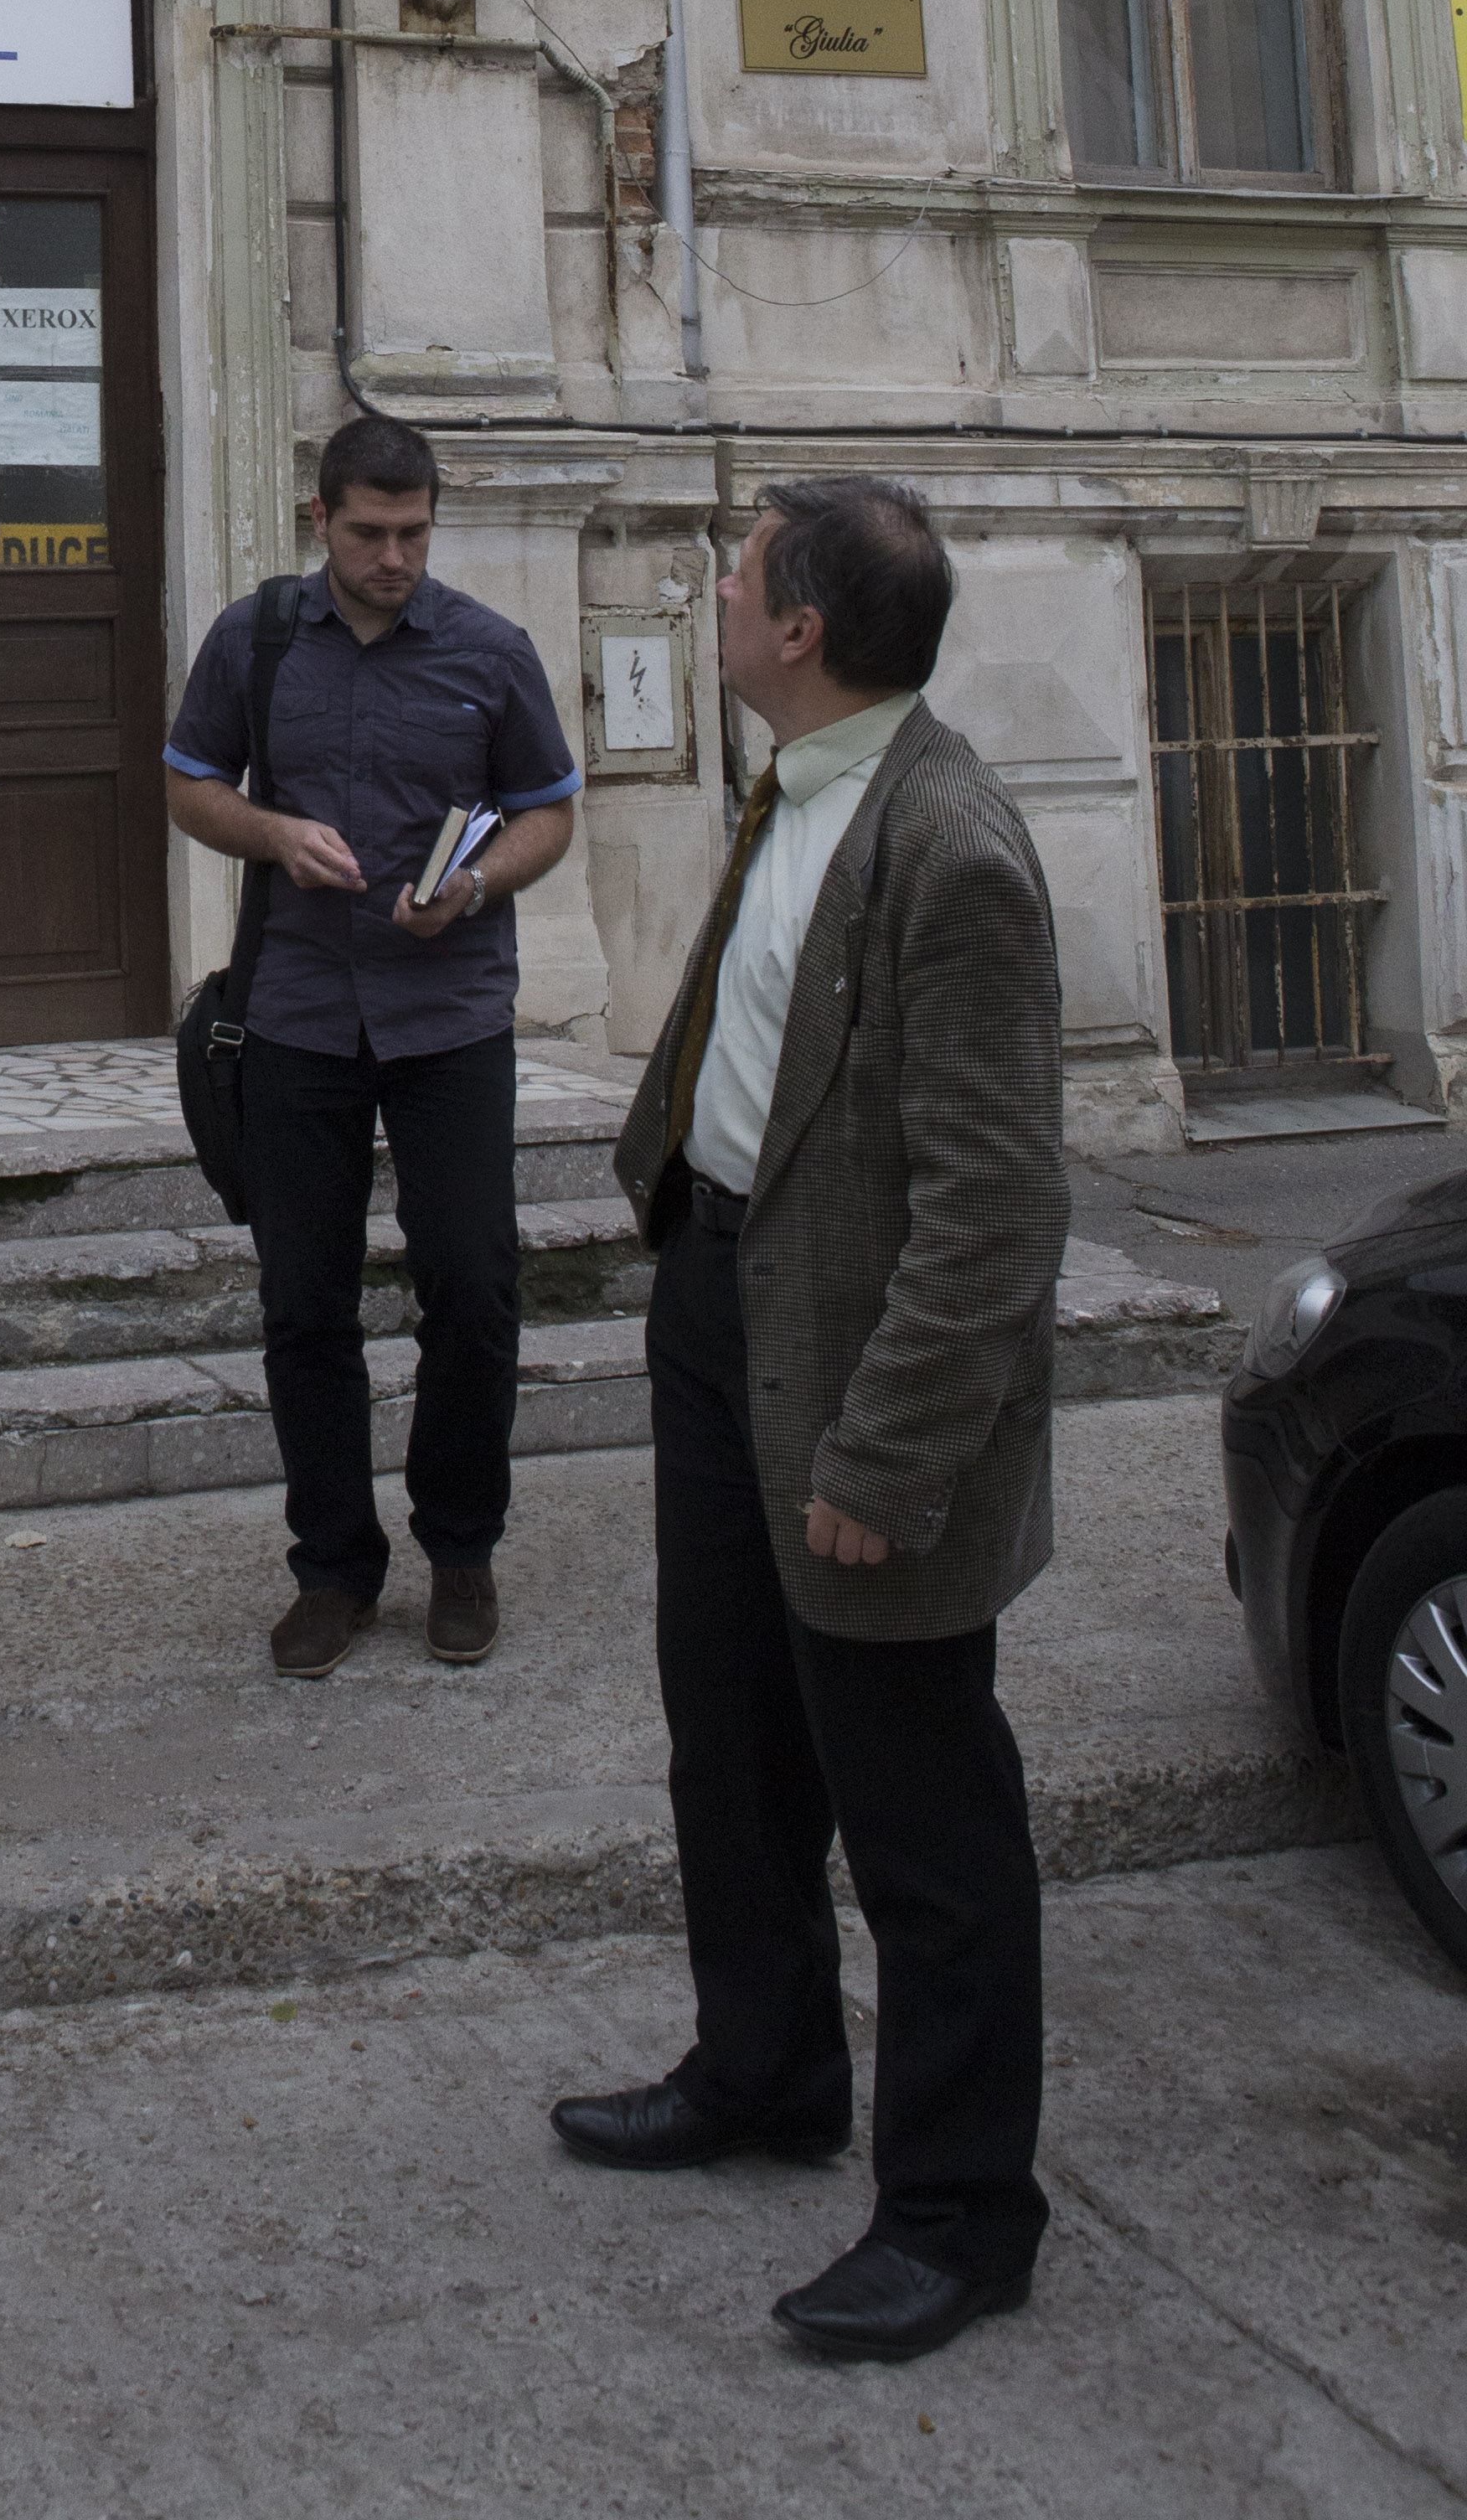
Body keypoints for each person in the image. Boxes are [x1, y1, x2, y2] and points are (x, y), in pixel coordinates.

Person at [551, 477, 1067, 2373]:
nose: (712, 588)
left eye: (741, 573)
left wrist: (889, 1458)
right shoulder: (797, 779)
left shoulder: (953, 845)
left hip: (862, 1382)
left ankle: (961, 2217)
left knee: (925, 1820)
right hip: (726, 1304)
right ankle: (764, 2069)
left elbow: (997, 1208)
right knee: (734, 1736)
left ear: (803, 634)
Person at [165, 411, 580, 1679]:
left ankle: (461, 1549)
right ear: (321, 520)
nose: (394, 557)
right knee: (305, 1302)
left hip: (450, 1017)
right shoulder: (255, 638)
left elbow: (549, 813)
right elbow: (188, 784)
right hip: (296, 1013)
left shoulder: (490, 652)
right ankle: (334, 1569)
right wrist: (274, 835)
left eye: (413, 533)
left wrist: (479, 884)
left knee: (472, 1287)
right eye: (368, 534)